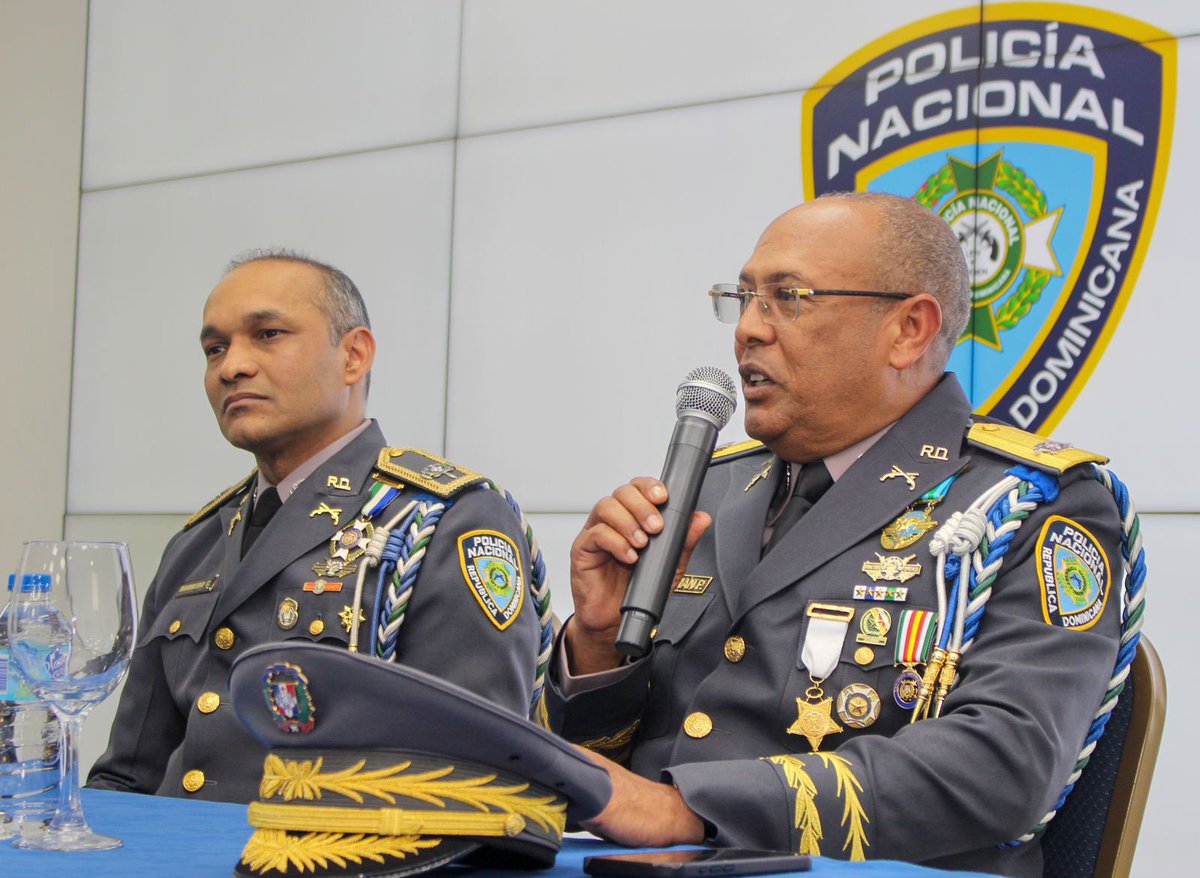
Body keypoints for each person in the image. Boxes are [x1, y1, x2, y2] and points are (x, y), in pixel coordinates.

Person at [541, 193, 1127, 876]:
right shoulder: (711, 488)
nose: (749, 331)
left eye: (788, 298)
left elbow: (1002, 767)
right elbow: (604, 775)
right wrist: (601, 643)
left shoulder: (1027, 507)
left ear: (908, 329)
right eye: (745, 297)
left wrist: (690, 807)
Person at [89, 251, 544, 803]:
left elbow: (470, 781)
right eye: (215, 349)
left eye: (268, 334)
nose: (232, 365)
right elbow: (127, 777)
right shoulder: (197, 543)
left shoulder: (446, 518)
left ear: (354, 356)